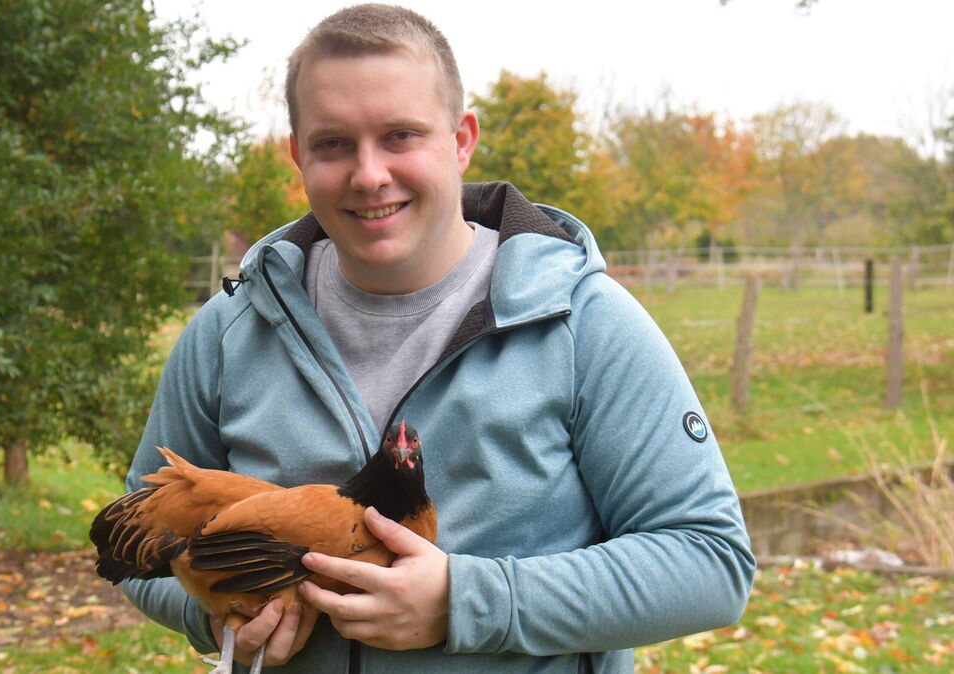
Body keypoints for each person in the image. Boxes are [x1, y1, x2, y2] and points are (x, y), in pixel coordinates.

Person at [118, 3, 755, 672]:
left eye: (400, 135)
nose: (368, 174)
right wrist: (215, 609)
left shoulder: (585, 325)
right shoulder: (228, 332)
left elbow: (709, 562)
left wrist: (469, 601)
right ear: (298, 154)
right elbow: (135, 541)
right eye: (333, 143)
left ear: (460, 140)